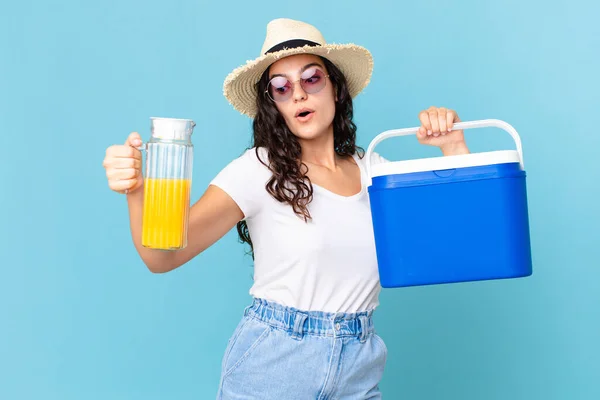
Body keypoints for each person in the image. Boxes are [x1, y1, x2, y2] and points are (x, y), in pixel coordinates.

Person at [103, 18, 470, 400]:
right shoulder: (258, 169)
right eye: (281, 87)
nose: (298, 95)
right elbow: (161, 258)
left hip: (359, 366)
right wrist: (136, 189)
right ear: (273, 105)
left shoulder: (375, 170)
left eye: (311, 79)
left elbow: (454, 245)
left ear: (337, 90)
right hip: (274, 363)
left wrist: (454, 149)